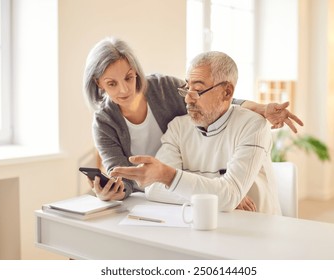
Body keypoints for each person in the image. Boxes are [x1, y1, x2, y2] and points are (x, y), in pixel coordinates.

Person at [83, 36, 302, 207]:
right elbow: (127, 179)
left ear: (136, 73)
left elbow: (215, 99)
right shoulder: (105, 123)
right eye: (112, 83)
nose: (124, 89)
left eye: (129, 78)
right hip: (157, 200)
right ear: (98, 83)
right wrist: (111, 191)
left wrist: (260, 108)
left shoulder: (162, 88)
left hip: (178, 185)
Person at [112, 51, 281, 214]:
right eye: (187, 88)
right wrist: (219, 196)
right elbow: (154, 189)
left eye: (198, 90)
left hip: (257, 229)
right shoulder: (178, 127)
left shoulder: (253, 126)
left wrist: (168, 176)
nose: (187, 98)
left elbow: (229, 196)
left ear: (227, 92)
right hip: (206, 227)